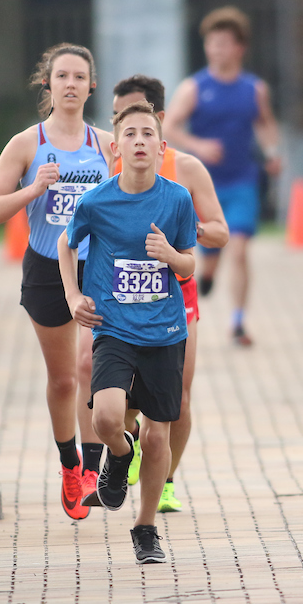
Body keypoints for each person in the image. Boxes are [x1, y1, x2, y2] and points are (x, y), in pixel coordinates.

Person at [57, 100, 197, 564]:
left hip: (164, 331)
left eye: (148, 134)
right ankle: (119, 455)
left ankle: (146, 527)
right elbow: (65, 242)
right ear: (117, 148)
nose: (140, 141)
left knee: (160, 435)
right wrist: (74, 297)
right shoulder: (97, 200)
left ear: (161, 146)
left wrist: (170, 256)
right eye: (131, 134)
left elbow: (189, 262)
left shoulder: (176, 199)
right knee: (106, 418)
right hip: (114, 327)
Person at [0, 43, 114, 521]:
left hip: (96, 269)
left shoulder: (105, 145)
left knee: (89, 368)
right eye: (63, 76)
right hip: (44, 268)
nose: (72, 84)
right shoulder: (26, 144)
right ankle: (70, 464)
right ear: (48, 84)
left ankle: (98, 468)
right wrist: (34, 189)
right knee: (62, 380)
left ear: (91, 86)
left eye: (80, 77)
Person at [111, 75, 228, 514]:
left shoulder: (187, 168)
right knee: (116, 396)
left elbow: (221, 233)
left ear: (159, 122)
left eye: (141, 121)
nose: (132, 132)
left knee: (178, 395)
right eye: (121, 120)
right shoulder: (111, 168)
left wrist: (184, 229)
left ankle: (166, 480)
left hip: (177, 293)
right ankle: (126, 452)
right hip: (122, 296)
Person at [163, 6, 282, 346]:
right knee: (211, 251)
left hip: (242, 181)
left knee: (240, 249)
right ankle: (210, 274)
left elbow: (265, 123)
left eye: (224, 43)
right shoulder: (194, 88)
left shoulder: (254, 89)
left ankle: (238, 322)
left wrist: (273, 154)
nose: (217, 49)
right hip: (203, 186)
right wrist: (198, 145)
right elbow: (169, 127)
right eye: (212, 43)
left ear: (239, 48)